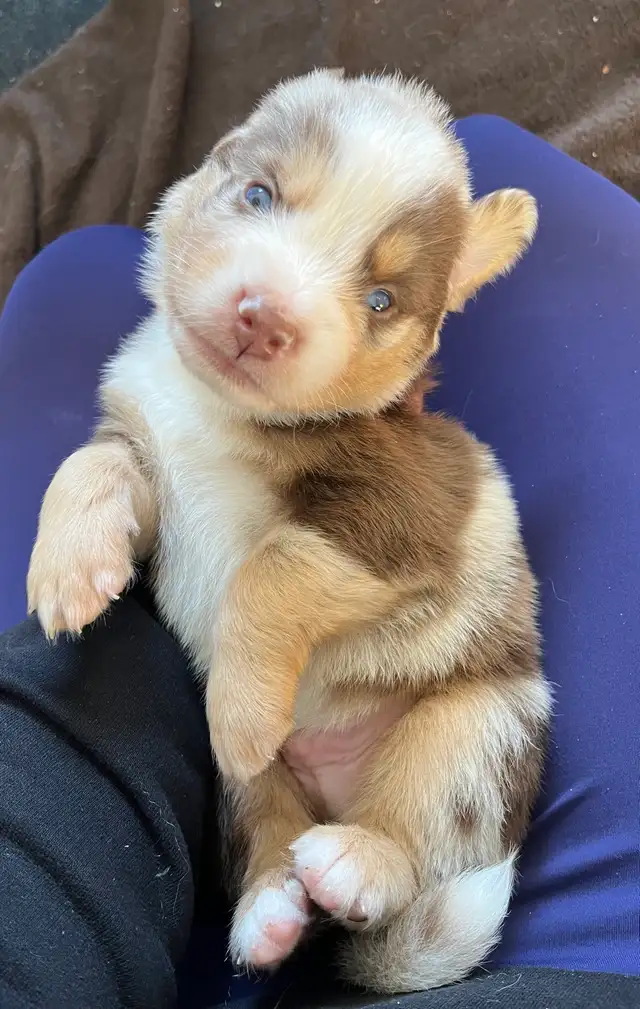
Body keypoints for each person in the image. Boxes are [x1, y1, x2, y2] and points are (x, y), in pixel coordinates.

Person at [0, 116, 638, 1009]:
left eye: (374, 299)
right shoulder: (163, 365)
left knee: (67, 273)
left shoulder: (346, 426)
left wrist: (258, 622)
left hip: (416, 698)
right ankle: (274, 867)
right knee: (241, 762)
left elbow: (383, 549)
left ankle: (390, 851)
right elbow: (132, 460)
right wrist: (97, 487)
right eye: (260, 197)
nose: (272, 301)